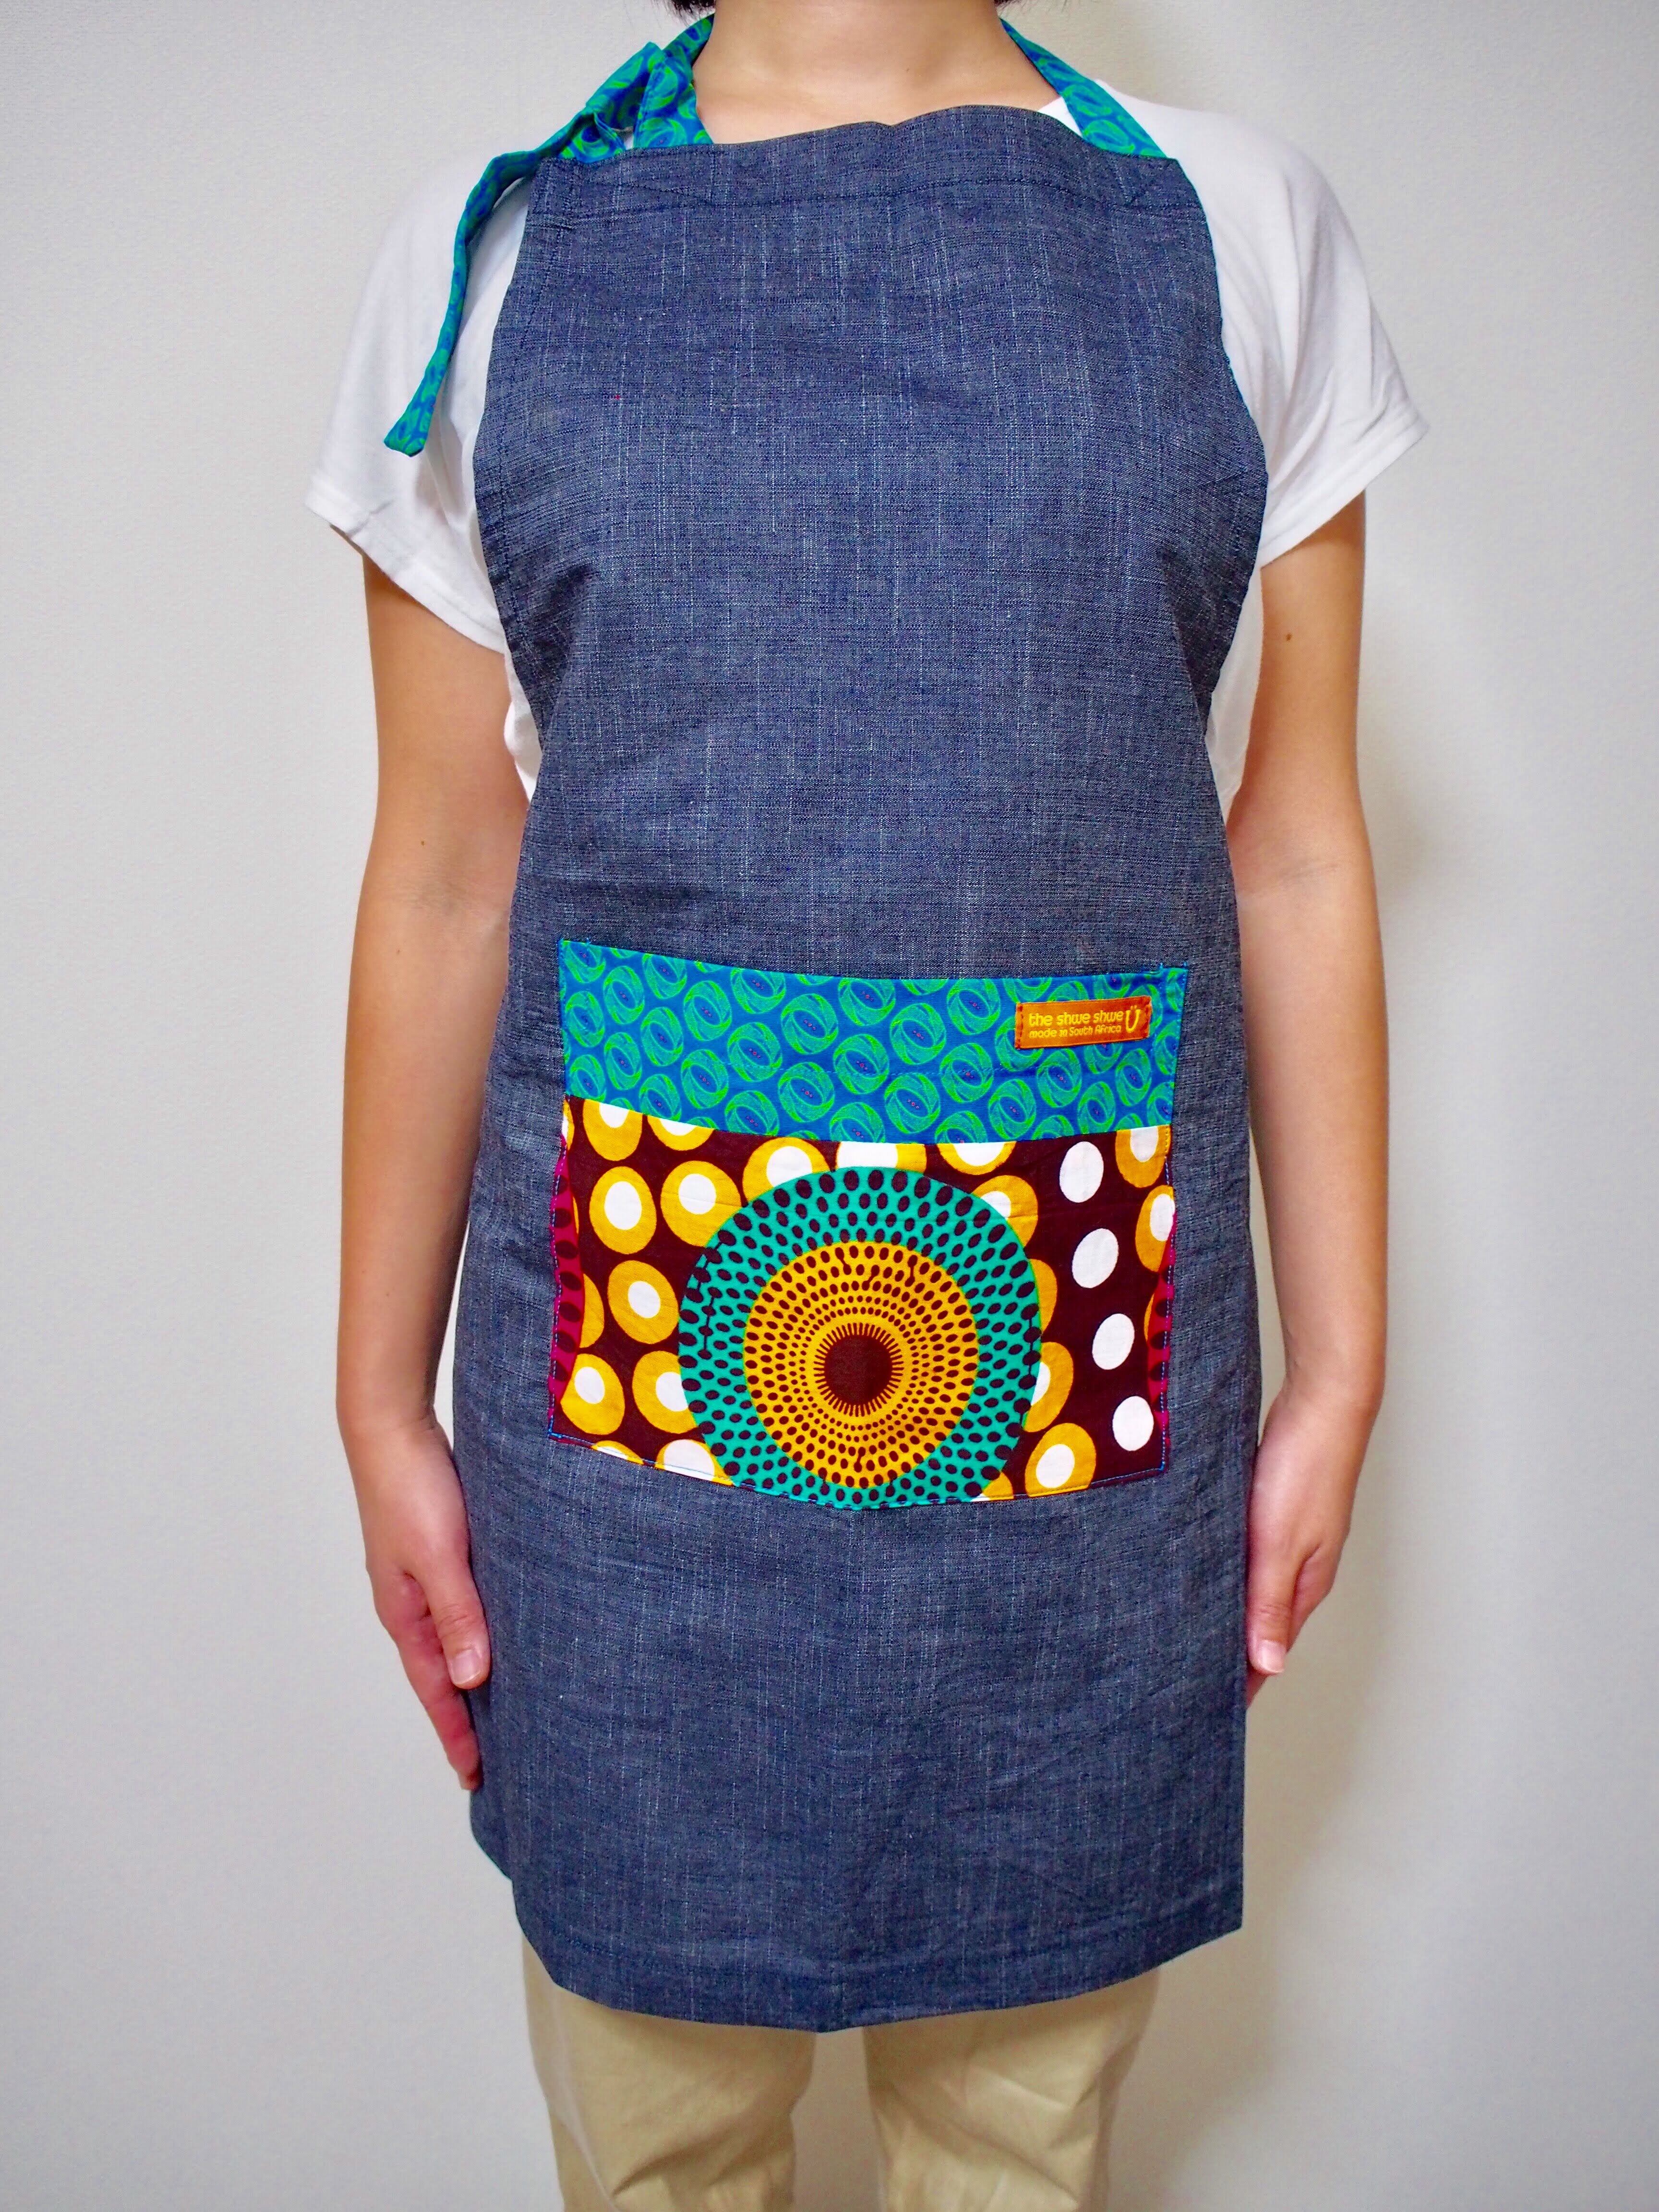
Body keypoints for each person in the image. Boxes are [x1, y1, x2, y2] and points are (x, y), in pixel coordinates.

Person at [309, 0, 1422, 2200]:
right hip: (635, 1423)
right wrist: (372, 1397)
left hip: (1079, 1390)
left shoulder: (1237, 225)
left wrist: (1345, 1363)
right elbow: (444, 872)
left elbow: (1295, 845)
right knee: (657, 2145)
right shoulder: (490, 255)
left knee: (1020, 2141)